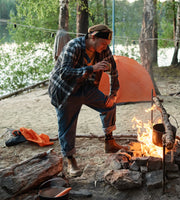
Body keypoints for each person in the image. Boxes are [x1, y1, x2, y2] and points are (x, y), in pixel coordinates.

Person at [48, 24, 128, 177]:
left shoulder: (103, 49)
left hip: (86, 86)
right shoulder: (74, 46)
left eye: (107, 45)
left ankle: (109, 142)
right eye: (103, 43)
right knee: (68, 125)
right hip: (66, 89)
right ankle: (70, 159)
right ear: (93, 37)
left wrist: (113, 94)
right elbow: (65, 72)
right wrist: (92, 68)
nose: (105, 47)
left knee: (109, 105)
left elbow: (114, 72)